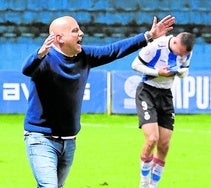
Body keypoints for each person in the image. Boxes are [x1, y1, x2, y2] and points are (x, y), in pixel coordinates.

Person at [22, 15, 175, 187]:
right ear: (59, 38)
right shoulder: (44, 60)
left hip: (69, 140)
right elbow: (27, 69)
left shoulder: (84, 56)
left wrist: (149, 36)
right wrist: (39, 54)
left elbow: (113, 50)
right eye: (75, 31)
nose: (81, 33)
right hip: (41, 139)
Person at [131, 32, 195, 188]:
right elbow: (135, 65)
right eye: (180, 52)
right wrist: (157, 72)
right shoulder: (156, 46)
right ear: (175, 43)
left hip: (166, 95)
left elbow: (184, 70)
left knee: (164, 144)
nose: (181, 55)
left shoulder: (187, 51)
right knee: (152, 139)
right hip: (147, 92)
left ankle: (153, 185)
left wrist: (180, 72)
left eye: (184, 54)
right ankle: (144, 182)